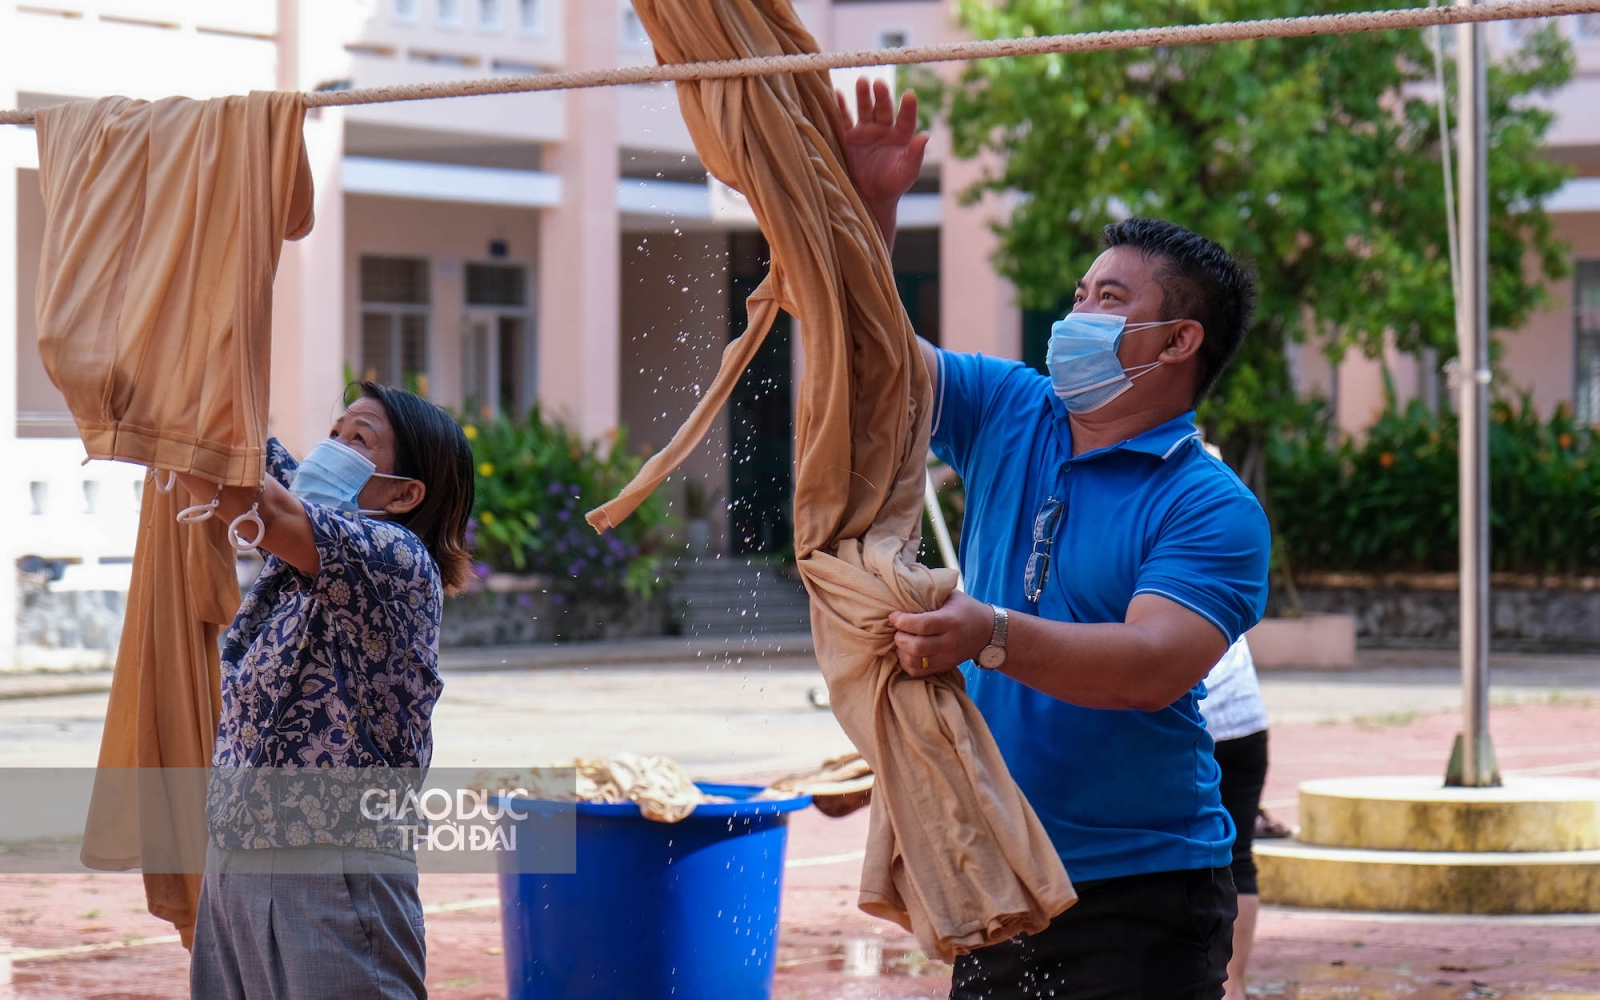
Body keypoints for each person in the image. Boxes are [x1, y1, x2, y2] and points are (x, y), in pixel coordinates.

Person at [837, 79, 1271, 998]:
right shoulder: (1013, 409)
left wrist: (986, 633)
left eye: (1107, 298)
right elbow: (869, 352)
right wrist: (872, 211)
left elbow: (1151, 664)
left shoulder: (1211, 506)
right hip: (997, 867)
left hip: (1140, 890)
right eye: (1079, 292)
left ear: (1175, 340)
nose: (1074, 315)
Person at [175, 383, 474, 1000]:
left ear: (404, 494)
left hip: (332, 872)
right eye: (335, 433)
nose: (332, 447)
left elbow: (264, 507)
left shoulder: (397, 561)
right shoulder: (307, 552)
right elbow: (229, 453)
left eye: (359, 439)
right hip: (236, 860)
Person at [1200, 637, 1272, 1000]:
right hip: (1246, 719)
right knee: (1239, 857)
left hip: (1192, 725)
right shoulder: (1221, 580)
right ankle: (1234, 986)